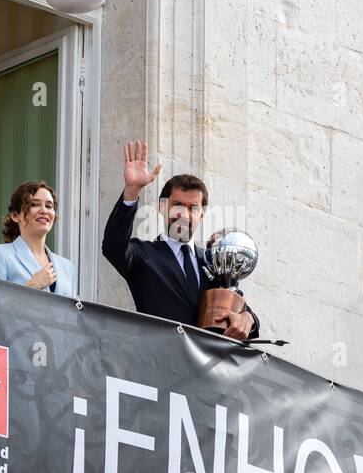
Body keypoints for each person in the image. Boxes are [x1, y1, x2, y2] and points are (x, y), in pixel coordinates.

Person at [102, 140, 259, 340]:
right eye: (177, 205)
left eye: (193, 208)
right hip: (158, 363)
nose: (184, 214)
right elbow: (112, 246)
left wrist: (248, 318)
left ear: (202, 214)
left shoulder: (214, 260)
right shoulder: (143, 255)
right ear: (161, 207)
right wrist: (131, 191)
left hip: (207, 365)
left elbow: (236, 302)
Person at [0, 180, 77, 299]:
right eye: (35, 204)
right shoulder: (0, 255)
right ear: (15, 216)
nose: (44, 211)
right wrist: (33, 286)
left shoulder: (67, 267)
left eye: (49, 206)